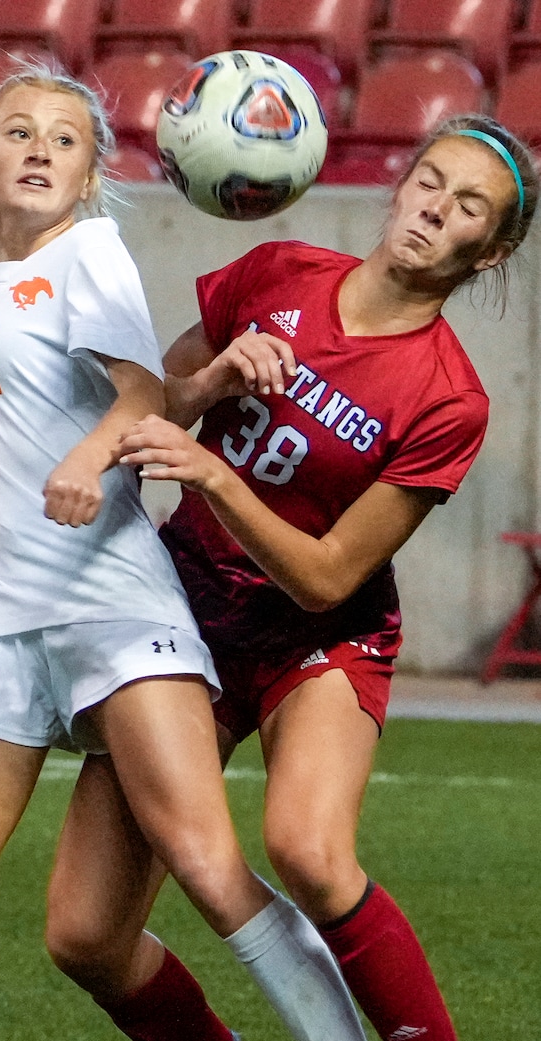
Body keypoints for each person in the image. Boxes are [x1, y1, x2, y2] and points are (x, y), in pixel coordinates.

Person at [0, 60, 368, 1041]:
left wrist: (92, 458)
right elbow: (13, 292)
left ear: (88, 177)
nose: (39, 147)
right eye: (16, 132)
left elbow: (142, 395)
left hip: (113, 610)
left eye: (64, 138)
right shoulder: (20, 276)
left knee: (209, 870)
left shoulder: (94, 250)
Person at [112, 114, 539, 1041]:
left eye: (470, 206)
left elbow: (328, 574)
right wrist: (215, 381)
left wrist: (218, 475)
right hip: (181, 614)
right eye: (432, 179)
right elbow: (156, 401)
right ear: (402, 181)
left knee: (307, 847)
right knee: (85, 936)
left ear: (493, 250)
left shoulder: (449, 397)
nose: (436, 208)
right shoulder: (277, 275)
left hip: (320, 632)